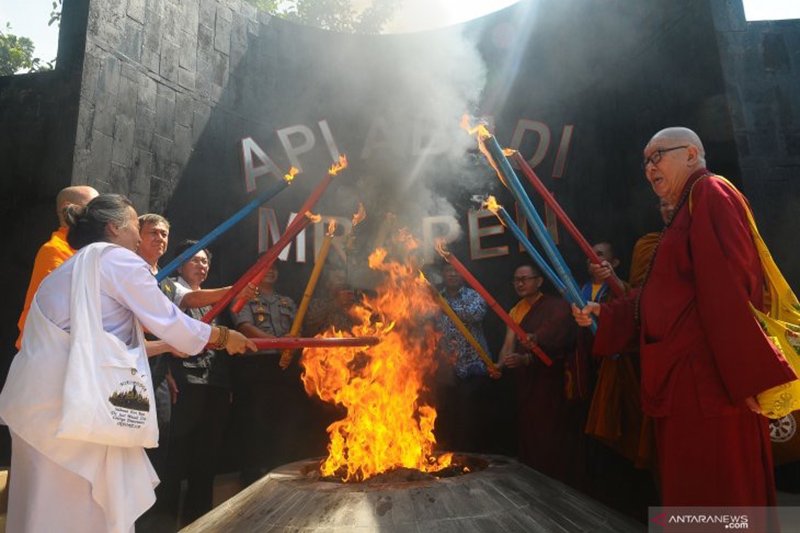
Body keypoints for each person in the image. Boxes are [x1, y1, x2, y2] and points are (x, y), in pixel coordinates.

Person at [0, 194, 255, 533]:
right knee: (80, 511)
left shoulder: (70, 269)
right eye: (136, 225)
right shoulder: (117, 260)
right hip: (73, 410)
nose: (139, 235)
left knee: (42, 508)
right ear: (114, 227)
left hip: (37, 408)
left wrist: (182, 338)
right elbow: (167, 319)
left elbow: (111, 340)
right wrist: (222, 337)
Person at [573, 127, 796, 507]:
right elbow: (664, 296)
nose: (648, 167)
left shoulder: (710, 193)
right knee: (691, 497)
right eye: (645, 161)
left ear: (691, 154)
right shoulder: (681, 215)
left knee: (720, 497)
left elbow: (733, 286)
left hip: (710, 386)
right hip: (684, 386)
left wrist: (747, 377)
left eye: (657, 155)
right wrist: (608, 315)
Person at [160, 240, 233, 527]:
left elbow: (222, 343)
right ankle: (164, 524)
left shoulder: (216, 300)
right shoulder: (165, 288)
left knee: (206, 460)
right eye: (195, 260)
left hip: (213, 386)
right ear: (180, 264)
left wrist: (225, 387)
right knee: (174, 459)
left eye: (205, 261)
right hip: (183, 385)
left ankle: (200, 524)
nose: (201, 265)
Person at [498, 263, 581, 487]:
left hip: (550, 382)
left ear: (539, 281)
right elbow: (508, 345)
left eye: (525, 279)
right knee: (530, 432)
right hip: (526, 383)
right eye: (516, 279)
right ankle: (533, 482)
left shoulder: (556, 307)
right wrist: (498, 365)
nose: (520, 284)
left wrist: (531, 348)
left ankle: (558, 483)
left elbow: (557, 340)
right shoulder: (516, 310)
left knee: (551, 434)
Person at [231, 262, 308, 485]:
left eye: (275, 267)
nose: (271, 271)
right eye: (266, 267)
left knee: (285, 422)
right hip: (257, 365)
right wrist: (276, 343)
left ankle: (282, 472)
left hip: (285, 366)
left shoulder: (288, 301)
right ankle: (253, 478)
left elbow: (299, 328)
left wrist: (290, 343)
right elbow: (244, 327)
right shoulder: (244, 299)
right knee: (256, 423)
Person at [16, 185, 98, 349]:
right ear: (68, 207)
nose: (99, 215)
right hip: (45, 348)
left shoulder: (84, 250)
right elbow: (60, 306)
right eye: (92, 207)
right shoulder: (55, 249)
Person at [435, 263, 493, 452]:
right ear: (442, 274)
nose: (452, 274)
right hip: (448, 369)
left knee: (470, 415)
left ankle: (473, 456)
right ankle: (450, 456)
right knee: (448, 414)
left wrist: (447, 307)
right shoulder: (437, 297)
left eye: (456, 271)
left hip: (472, 366)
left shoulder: (474, 296)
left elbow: (475, 314)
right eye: (448, 270)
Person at [628, 198, 674, 288]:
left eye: (676, 202)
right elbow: (637, 290)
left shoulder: (697, 239)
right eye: (664, 205)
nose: (670, 208)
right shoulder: (647, 244)